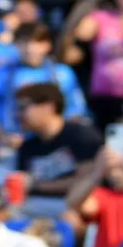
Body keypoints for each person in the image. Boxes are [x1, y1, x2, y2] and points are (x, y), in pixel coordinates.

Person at [0, 21, 88, 136]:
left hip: (54, 142)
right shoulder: (0, 73)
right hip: (15, 141)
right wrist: (2, 137)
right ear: (14, 44)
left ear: (47, 45)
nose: (30, 48)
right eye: (23, 42)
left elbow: (76, 109)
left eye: (37, 42)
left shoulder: (62, 73)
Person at [12, 82, 102, 214]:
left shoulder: (80, 135)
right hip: (38, 205)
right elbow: (22, 184)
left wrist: (36, 186)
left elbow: (85, 181)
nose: (17, 115)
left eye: (23, 107)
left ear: (49, 107)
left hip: (79, 205)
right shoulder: (27, 146)